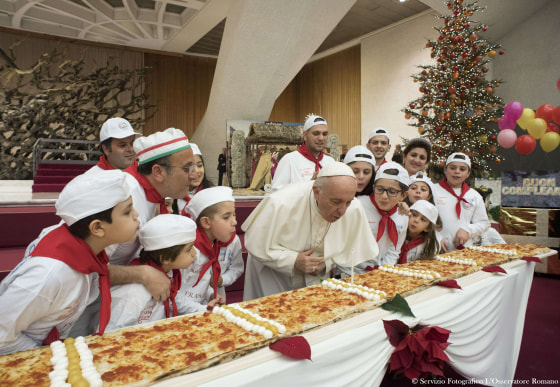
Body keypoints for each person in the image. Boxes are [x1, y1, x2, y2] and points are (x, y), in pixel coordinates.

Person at [71, 128, 194, 337]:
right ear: (158, 172)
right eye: (187, 168)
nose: (193, 175)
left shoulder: (149, 195)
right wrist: (143, 274)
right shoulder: (123, 197)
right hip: (82, 313)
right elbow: (82, 267)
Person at [0, 170, 139, 354]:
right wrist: (48, 359)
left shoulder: (88, 246)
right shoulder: (50, 275)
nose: (137, 215)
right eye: (128, 211)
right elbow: (2, 335)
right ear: (97, 227)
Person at [242, 162, 379, 300]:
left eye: (348, 202)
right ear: (317, 192)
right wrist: (292, 261)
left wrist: (327, 262)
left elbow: (351, 248)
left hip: (314, 281)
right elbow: (255, 243)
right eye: (336, 202)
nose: (343, 211)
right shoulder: (281, 202)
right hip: (274, 278)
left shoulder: (353, 207)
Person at [105, 214, 217, 331]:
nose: (195, 253)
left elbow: (174, 299)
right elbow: (112, 332)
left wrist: (205, 310)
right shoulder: (134, 293)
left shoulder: (168, 274)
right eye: (189, 249)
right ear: (165, 258)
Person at [185, 186, 244, 304]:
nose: (235, 222)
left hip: (216, 298)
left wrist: (221, 280)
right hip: (190, 307)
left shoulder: (233, 241)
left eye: (234, 214)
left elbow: (237, 268)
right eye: (226, 217)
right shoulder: (190, 249)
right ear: (206, 222)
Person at [351, 162, 410, 270]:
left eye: (392, 192)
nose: (384, 196)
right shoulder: (358, 205)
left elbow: (394, 250)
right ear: (374, 187)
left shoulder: (402, 216)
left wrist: (383, 271)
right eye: (379, 189)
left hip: (380, 272)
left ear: (403, 195)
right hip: (350, 271)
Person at [433, 153, 490, 252]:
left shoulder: (474, 196)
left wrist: (467, 230)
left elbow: (484, 223)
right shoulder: (432, 191)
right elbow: (422, 219)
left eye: (462, 169)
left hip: (463, 252)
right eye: (453, 168)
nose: (457, 172)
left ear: (468, 173)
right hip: (434, 249)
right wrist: (435, 236)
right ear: (445, 170)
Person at [270, 114, 335, 192]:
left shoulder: (331, 162)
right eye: (316, 133)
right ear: (305, 135)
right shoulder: (289, 160)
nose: (321, 138)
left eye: (324, 134)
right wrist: (309, 186)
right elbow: (276, 195)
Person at [176, 143, 214, 216]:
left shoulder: (211, 194)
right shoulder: (171, 196)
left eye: (199, 165)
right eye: (190, 167)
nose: (196, 171)